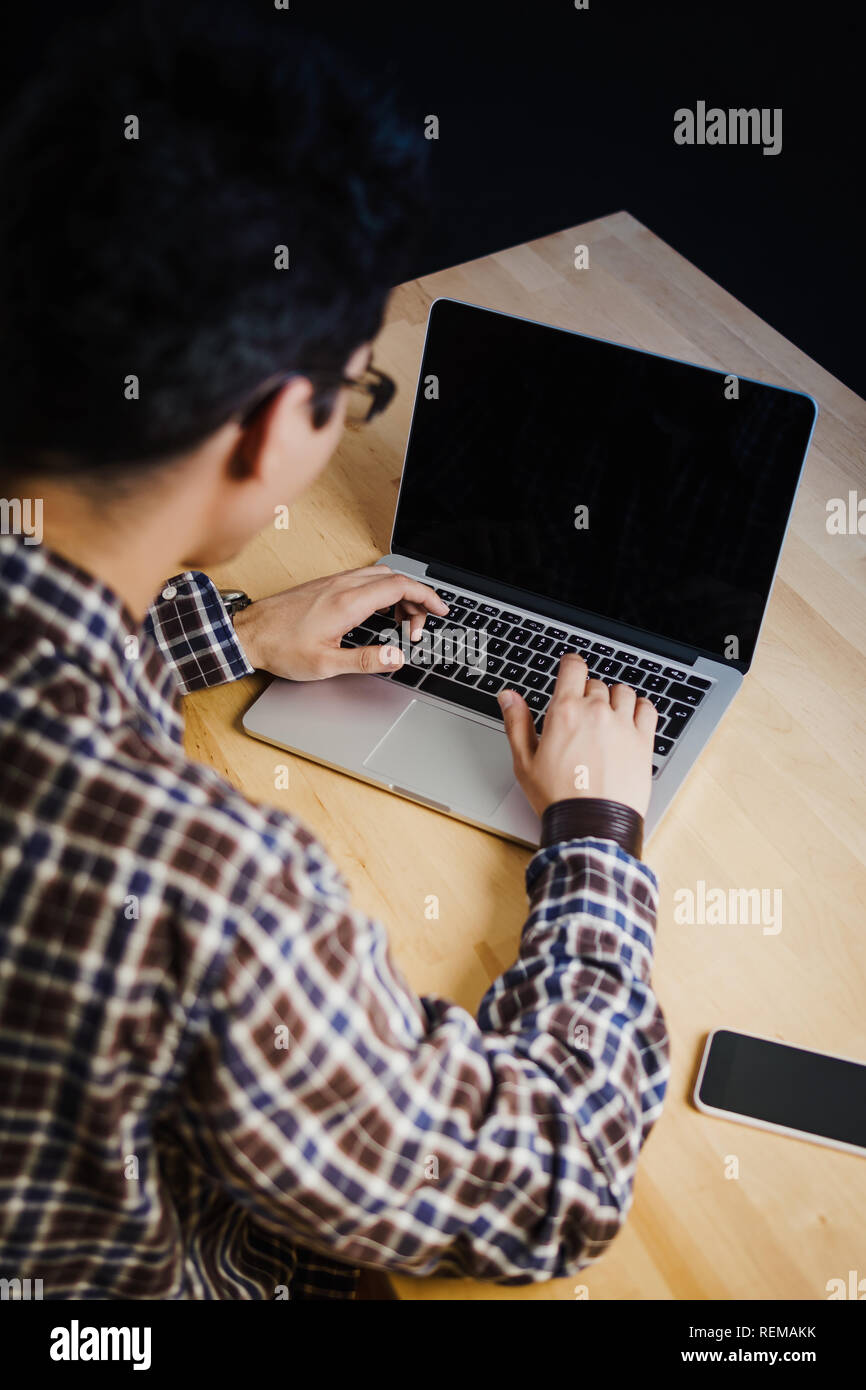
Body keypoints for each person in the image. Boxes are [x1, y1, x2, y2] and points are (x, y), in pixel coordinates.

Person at [0, 6, 669, 1299]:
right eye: (355, 392)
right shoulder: (208, 888)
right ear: (266, 433)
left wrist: (231, 631)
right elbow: (545, 1183)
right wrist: (594, 830)